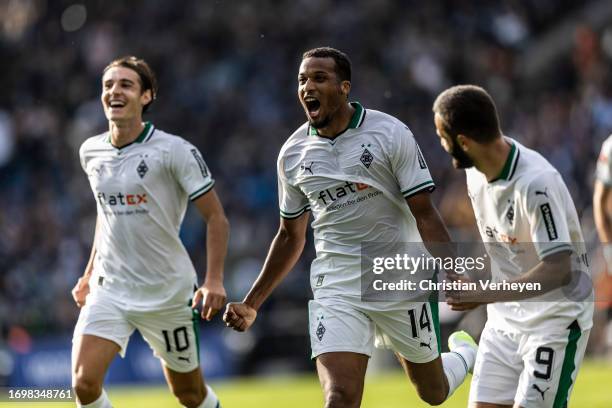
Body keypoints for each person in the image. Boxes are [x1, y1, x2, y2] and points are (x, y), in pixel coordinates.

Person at [224, 47, 477, 407]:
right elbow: (289, 235)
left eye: (319, 78)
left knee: (433, 392)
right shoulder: (292, 155)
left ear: (344, 87)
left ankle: (464, 355)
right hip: (337, 282)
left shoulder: (389, 133)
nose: (307, 86)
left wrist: (453, 271)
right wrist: (252, 303)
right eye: (302, 80)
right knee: (339, 397)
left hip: (400, 275)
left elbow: (424, 211)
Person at [71, 56, 228, 408]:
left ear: (146, 96)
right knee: (84, 383)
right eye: (108, 85)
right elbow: (106, 213)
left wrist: (214, 280)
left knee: (189, 395)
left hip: (166, 294)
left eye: (125, 84)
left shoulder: (175, 151)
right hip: (110, 289)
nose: (115, 91)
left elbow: (217, 217)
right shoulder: (90, 151)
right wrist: (88, 272)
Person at [432, 84, 593, 408]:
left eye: (442, 136)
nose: (441, 144)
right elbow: (503, 245)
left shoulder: (535, 183)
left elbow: (558, 268)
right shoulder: (475, 174)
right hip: (505, 320)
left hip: (555, 319)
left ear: (463, 142)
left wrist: (481, 295)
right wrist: (475, 285)